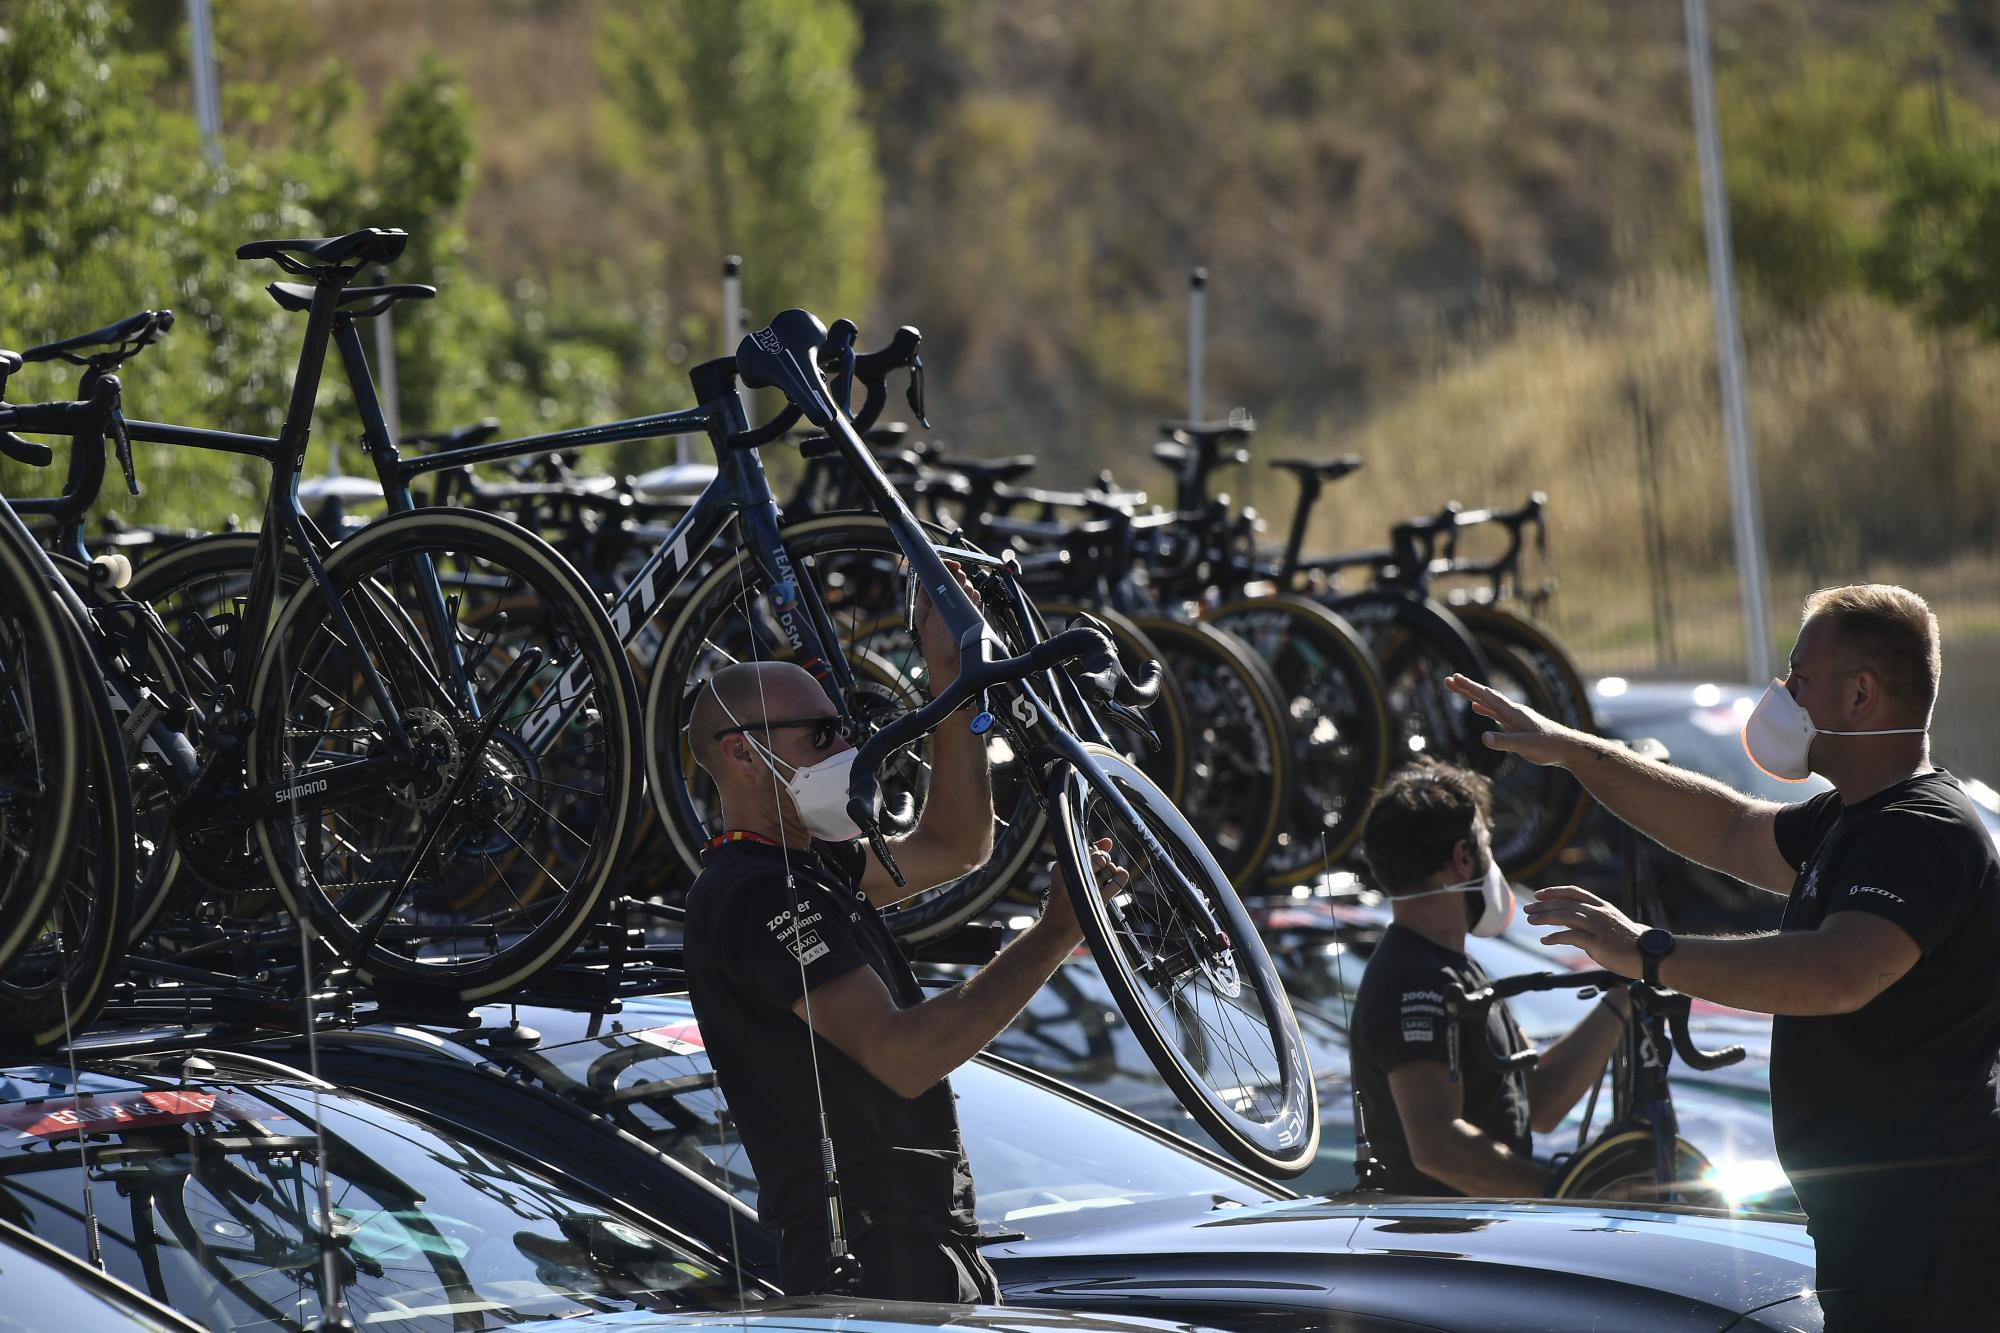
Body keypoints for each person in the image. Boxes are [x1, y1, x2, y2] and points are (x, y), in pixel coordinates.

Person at [1448, 583, 2000, 1329]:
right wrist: (1574, 751)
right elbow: (1729, 829)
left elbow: (1835, 972)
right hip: (1882, 1234)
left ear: (1862, 694)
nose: (1784, 693)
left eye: (1800, 678)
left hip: (1935, 1241)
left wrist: (1647, 951)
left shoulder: (1926, 827)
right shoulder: (1856, 816)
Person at [681, 565, 1127, 1304]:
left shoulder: (808, 863)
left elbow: (956, 842)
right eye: (822, 734)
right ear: (739, 750)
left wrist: (950, 676)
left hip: (924, 1253)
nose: (845, 751)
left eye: (847, 729)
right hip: (870, 1271)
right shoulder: (751, 894)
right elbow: (904, 1054)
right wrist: (1053, 936)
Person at [1348, 758, 1632, 1197]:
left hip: (1484, 1245)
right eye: (1486, 843)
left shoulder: (1453, 968)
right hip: (1448, 1257)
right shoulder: (1412, 980)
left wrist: (1624, 995)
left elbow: (1538, 1101)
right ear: (1463, 857)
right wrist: (1561, 1195)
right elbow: (1436, 1145)